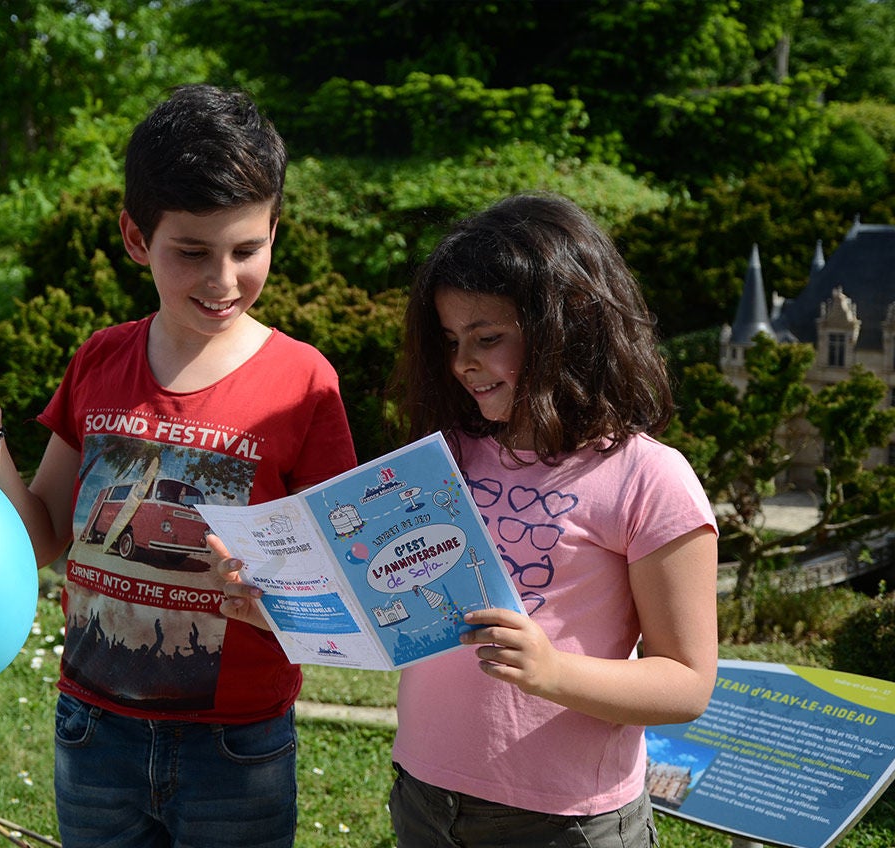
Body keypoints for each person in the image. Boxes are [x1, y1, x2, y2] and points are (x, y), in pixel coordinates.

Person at [218, 191, 719, 847]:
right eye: (452, 341)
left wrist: (552, 671)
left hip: (568, 822)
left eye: (488, 338)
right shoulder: (440, 461)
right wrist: (280, 607)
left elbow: (686, 683)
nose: (463, 363)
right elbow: (387, 611)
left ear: (570, 325)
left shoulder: (648, 478)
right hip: (426, 800)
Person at [0, 83, 356, 848]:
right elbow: (45, 540)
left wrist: (275, 602)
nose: (222, 280)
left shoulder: (306, 382)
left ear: (274, 230)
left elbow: (334, 581)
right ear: (135, 236)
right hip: (95, 734)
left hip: (239, 746)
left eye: (246, 250)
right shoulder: (99, 359)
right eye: (190, 252)